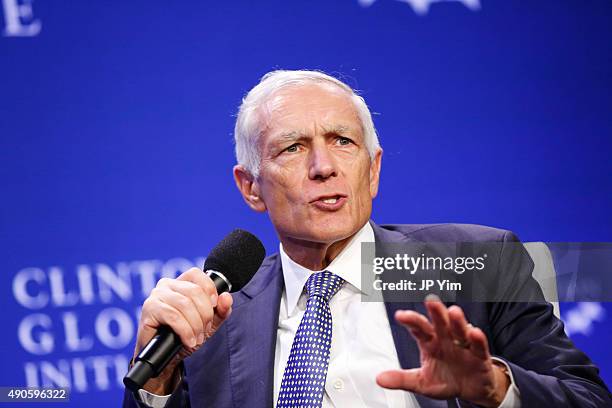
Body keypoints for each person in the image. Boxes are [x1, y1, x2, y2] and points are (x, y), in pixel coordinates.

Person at [122, 70, 611, 407]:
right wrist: (159, 376)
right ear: (251, 187)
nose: (324, 167)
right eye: (293, 148)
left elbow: (589, 399)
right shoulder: (212, 318)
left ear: (372, 171)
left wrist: (496, 387)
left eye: (343, 142)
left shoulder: (479, 263)